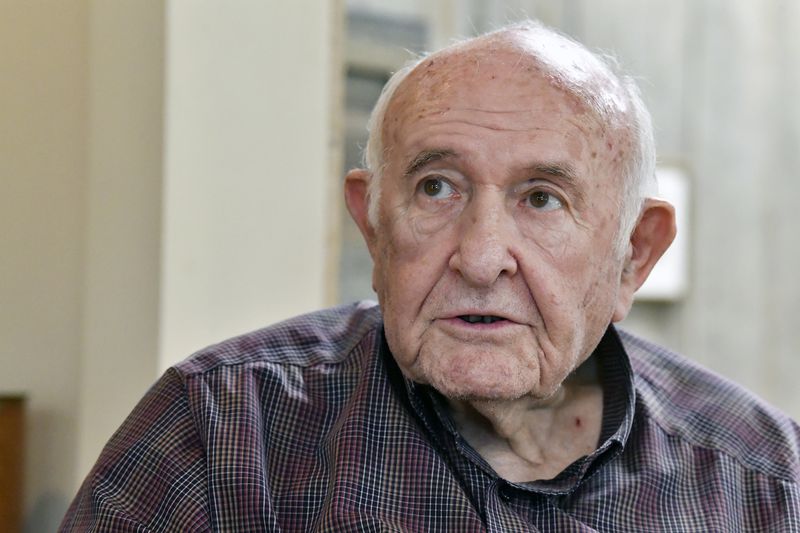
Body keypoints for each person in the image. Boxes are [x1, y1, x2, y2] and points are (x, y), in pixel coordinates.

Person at [61, 20, 800, 532]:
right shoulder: (220, 431)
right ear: (373, 223)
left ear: (633, 253)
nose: (479, 257)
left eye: (541, 199)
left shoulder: (765, 484)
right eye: (436, 188)